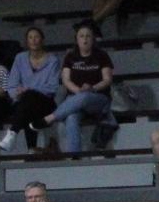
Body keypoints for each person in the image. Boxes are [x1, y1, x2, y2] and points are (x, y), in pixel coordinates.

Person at [45, 22, 115, 155]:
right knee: (71, 117)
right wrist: (79, 92)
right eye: (81, 36)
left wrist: (92, 88)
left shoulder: (102, 55)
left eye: (88, 36)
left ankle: (51, 117)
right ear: (77, 39)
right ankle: (74, 156)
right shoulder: (70, 57)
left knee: (85, 96)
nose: (85, 39)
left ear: (93, 39)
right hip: (76, 99)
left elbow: (107, 79)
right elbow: (66, 80)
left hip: (97, 98)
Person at [4, 26, 62, 153]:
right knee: (27, 102)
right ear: (26, 41)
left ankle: (13, 133)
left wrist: (28, 89)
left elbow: (52, 87)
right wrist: (18, 93)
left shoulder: (53, 60)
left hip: (45, 103)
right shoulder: (20, 58)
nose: (33, 40)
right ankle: (31, 149)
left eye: (36, 37)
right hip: (23, 102)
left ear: (42, 40)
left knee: (28, 97)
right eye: (30, 37)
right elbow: (12, 86)